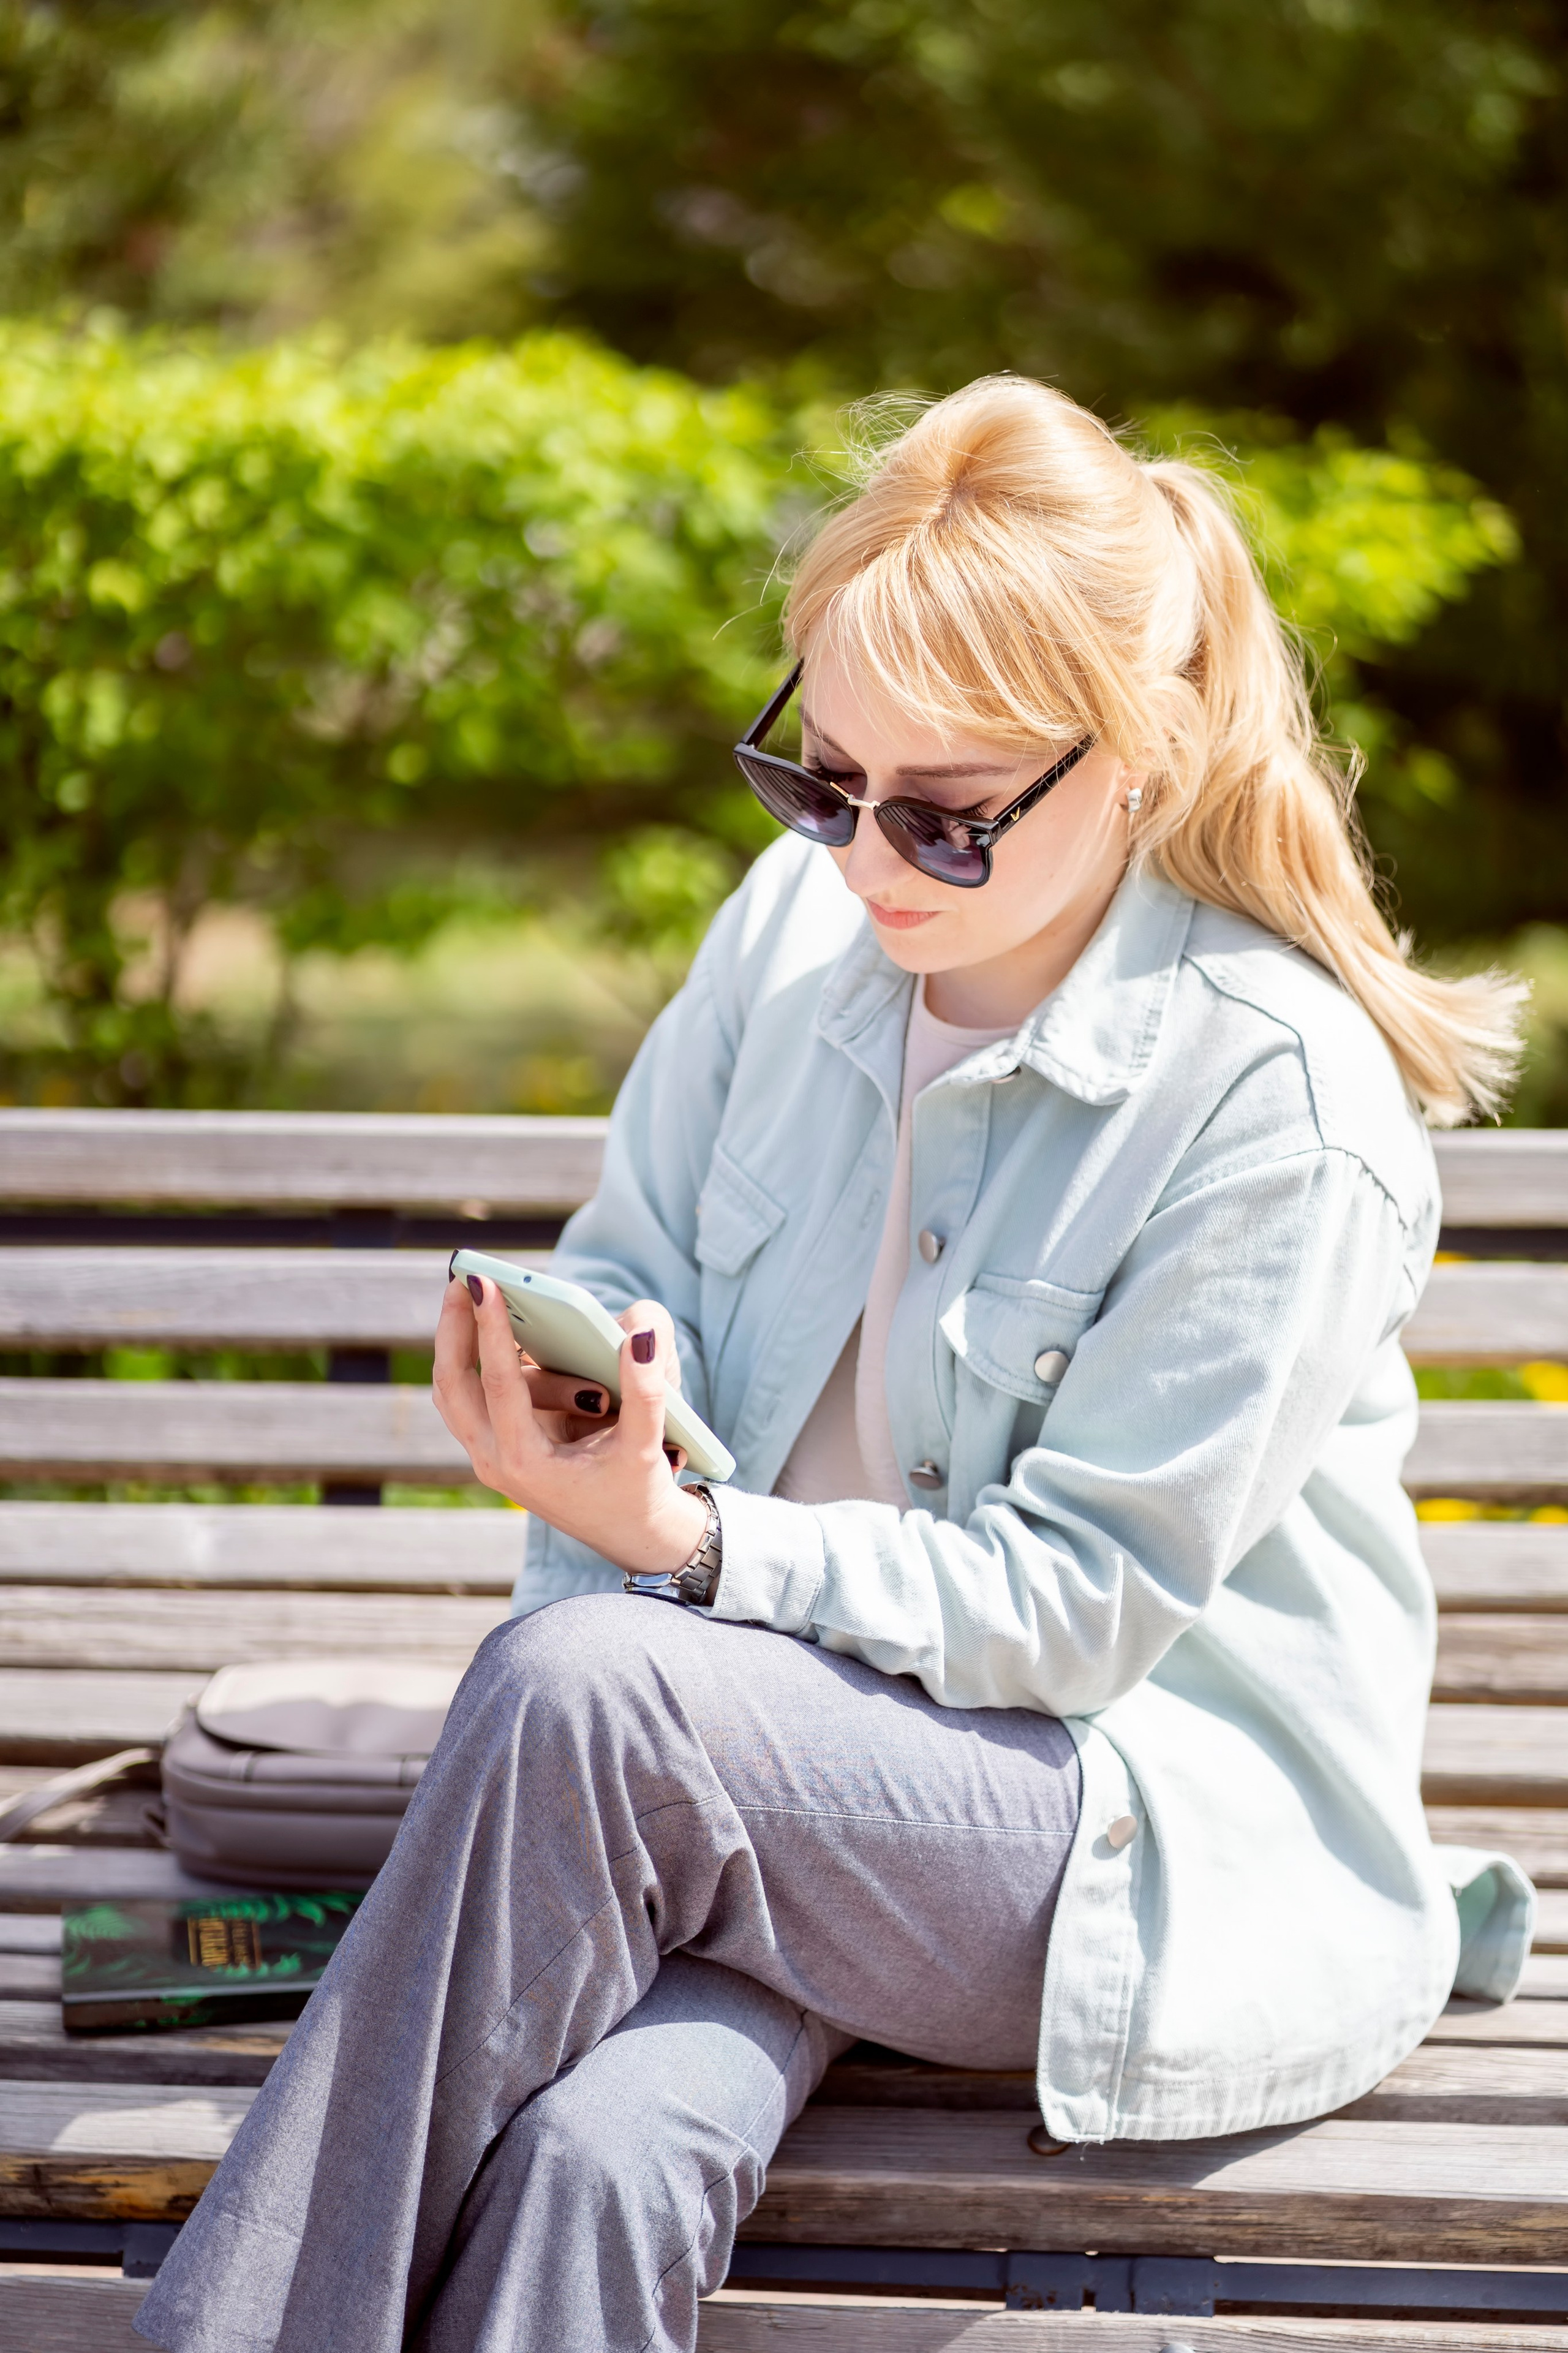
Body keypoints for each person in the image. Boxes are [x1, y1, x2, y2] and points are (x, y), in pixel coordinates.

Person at [135, 377, 1536, 2353]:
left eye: (948, 815)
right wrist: (609, 1366)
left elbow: (1073, 1612)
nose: (866, 858)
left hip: (1102, 1834)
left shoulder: (1275, 1102)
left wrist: (700, 1550)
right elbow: (637, 1246)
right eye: (821, 777)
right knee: (603, 2156)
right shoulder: (797, 932)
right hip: (777, 1776)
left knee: (590, 1685)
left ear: (1130, 758)